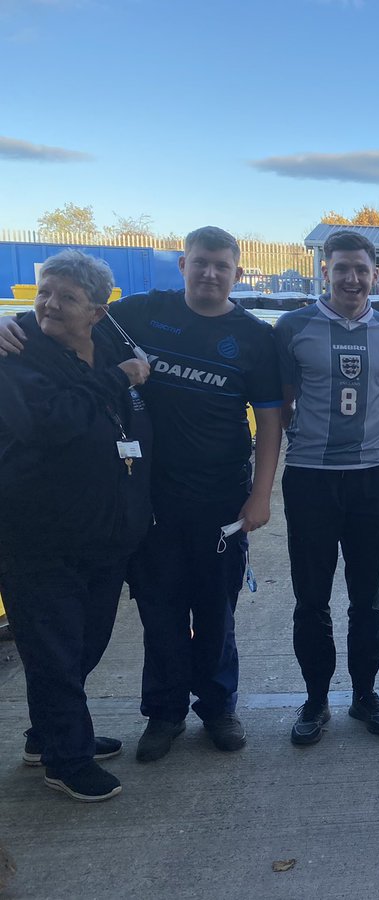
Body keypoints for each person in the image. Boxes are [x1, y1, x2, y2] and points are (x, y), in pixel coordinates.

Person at [0, 226, 285, 759]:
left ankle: (219, 708)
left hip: (222, 498)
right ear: (182, 264)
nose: (209, 274)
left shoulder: (253, 337)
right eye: (200, 262)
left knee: (217, 609)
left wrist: (262, 494)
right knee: (160, 608)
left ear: (237, 274)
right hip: (149, 498)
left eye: (221, 266)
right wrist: (5, 325)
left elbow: (270, 421)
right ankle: (165, 712)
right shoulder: (137, 315)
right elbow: (61, 319)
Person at [0, 251, 152, 801]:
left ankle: (47, 735)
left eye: (67, 296)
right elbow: (47, 420)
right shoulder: (17, 353)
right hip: (37, 537)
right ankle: (67, 759)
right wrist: (116, 379)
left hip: (105, 535)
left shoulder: (111, 344)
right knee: (55, 652)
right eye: (45, 291)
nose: (50, 304)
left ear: (96, 310)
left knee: (86, 644)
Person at [274, 230, 379, 746]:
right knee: (311, 598)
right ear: (325, 271)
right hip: (311, 479)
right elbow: (283, 403)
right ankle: (315, 699)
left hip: (371, 479)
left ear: (374, 273)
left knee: (368, 598)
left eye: (361, 269)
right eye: (341, 269)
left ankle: (365, 694)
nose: (351, 279)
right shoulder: (292, 327)